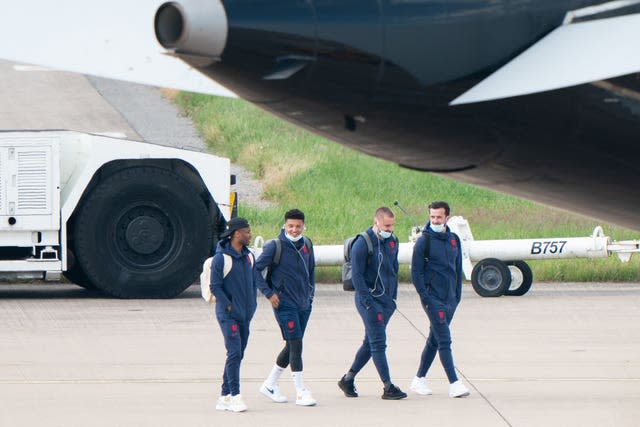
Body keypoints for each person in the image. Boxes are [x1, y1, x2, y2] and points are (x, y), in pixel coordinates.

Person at [338, 207, 407, 400]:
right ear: (376, 222)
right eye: (386, 225)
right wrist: (368, 302)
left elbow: (393, 269)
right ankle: (388, 386)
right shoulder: (363, 243)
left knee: (370, 342)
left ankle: (348, 378)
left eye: (392, 225)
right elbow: (357, 275)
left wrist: (393, 298)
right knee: (378, 342)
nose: (390, 229)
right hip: (369, 301)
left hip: (386, 301)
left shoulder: (393, 241)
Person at [256, 209, 317, 406]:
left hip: (303, 303)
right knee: (297, 345)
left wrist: (311, 295)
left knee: (291, 345)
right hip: (284, 304)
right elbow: (255, 271)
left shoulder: (307, 244)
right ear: (285, 225)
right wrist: (269, 293)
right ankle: (300, 391)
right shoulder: (274, 246)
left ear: (303, 226)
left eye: (298, 226)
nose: (294, 230)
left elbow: (311, 270)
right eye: (290, 226)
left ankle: (269, 384)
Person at [409, 201, 470, 398]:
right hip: (432, 299)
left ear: (447, 218)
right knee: (444, 339)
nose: (435, 220)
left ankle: (419, 379)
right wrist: (425, 296)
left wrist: (457, 295)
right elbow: (416, 272)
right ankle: (454, 383)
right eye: (432, 217)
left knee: (434, 339)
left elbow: (457, 267)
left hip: (450, 298)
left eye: (439, 217)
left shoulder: (454, 239)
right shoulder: (423, 242)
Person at [210, 217, 259, 412]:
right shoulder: (221, 258)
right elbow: (215, 286)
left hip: (246, 314)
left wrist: (252, 305)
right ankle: (236, 396)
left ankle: (224, 396)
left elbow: (254, 282)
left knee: (237, 355)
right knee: (234, 352)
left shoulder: (250, 256)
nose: (250, 234)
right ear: (236, 233)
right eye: (247, 231)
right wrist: (229, 306)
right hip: (228, 315)